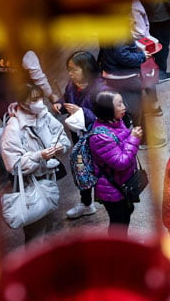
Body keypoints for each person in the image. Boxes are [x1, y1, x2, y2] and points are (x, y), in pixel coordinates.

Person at [0, 83, 71, 242]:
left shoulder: (44, 115)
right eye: (34, 99)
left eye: (40, 98)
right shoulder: (13, 129)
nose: (39, 102)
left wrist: (59, 147)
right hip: (31, 185)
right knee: (36, 234)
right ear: (22, 102)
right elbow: (14, 165)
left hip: (49, 180)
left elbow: (62, 137)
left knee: (50, 223)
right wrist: (39, 156)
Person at [89, 90, 143, 234]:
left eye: (122, 102)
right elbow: (120, 162)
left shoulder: (116, 122)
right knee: (119, 223)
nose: (123, 107)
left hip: (122, 183)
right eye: (119, 104)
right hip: (112, 189)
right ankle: (117, 252)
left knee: (126, 214)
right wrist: (134, 139)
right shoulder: (100, 137)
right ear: (108, 110)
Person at [63, 51, 104, 219]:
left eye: (74, 69)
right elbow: (66, 99)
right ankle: (86, 204)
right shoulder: (72, 85)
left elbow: (105, 120)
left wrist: (82, 112)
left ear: (86, 69)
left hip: (96, 140)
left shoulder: (101, 89)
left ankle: (111, 201)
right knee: (82, 170)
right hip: (79, 139)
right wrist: (60, 104)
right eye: (69, 69)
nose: (70, 73)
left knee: (100, 171)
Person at [0, 50, 63, 120]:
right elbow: (38, 77)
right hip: (27, 101)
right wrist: (50, 95)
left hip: (3, 107)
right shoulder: (21, 48)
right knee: (40, 125)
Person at [141, 0, 170, 83]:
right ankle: (160, 73)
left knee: (148, 43)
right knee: (162, 45)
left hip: (144, 13)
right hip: (159, 15)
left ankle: (149, 70)